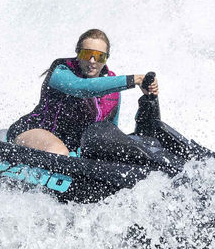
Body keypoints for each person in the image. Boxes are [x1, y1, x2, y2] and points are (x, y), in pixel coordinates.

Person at [8, 28, 158, 155]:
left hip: (72, 147)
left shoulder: (112, 87)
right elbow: (82, 88)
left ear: (106, 58)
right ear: (78, 53)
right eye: (87, 54)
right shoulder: (61, 71)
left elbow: (110, 129)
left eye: (99, 56)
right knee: (59, 151)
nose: (92, 61)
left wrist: (149, 93)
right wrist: (134, 79)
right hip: (33, 130)